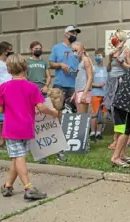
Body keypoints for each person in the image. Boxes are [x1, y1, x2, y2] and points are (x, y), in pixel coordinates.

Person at [0, 54, 59, 200]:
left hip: (11, 128)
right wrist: (54, 113)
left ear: (8, 70)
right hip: (26, 127)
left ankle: (27, 188)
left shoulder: (4, 87)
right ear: (26, 68)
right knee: (17, 158)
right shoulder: (32, 87)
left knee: (18, 157)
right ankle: (9, 186)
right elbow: (42, 108)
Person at [49, 25, 81, 162]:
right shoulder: (57, 48)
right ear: (66, 34)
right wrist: (61, 65)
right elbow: (50, 63)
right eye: (73, 32)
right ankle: (55, 143)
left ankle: (70, 143)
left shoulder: (77, 49)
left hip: (73, 85)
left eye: (76, 33)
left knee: (72, 114)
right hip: (60, 84)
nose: (74, 34)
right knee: (57, 114)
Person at [104, 29, 130, 150]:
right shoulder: (113, 52)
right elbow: (108, 68)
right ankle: (126, 137)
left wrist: (119, 60)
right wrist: (110, 59)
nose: (114, 40)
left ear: (121, 40)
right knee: (112, 111)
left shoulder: (126, 51)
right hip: (111, 82)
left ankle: (117, 138)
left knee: (118, 112)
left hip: (120, 82)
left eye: (116, 38)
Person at [27, 40, 52, 164]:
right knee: (30, 119)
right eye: (36, 48)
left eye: (40, 48)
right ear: (31, 50)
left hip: (42, 92)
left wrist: (47, 85)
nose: (38, 50)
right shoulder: (27, 62)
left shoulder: (44, 62)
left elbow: (48, 76)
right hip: (30, 92)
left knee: (42, 119)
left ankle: (44, 149)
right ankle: (30, 147)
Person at [90, 49, 108, 141]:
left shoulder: (106, 69)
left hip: (104, 95)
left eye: (99, 55)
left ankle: (99, 132)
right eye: (96, 55)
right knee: (94, 113)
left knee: (102, 114)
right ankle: (92, 132)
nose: (97, 57)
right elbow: (89, 82)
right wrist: (97, 85)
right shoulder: (93, 68)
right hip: (95, 94)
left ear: (103, 56)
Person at [71, 41, 93, 113]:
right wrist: (74, 94)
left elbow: (90, 77)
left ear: (82, 50)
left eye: (76, 50)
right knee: (79, 118)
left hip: (84, 92)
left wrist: (84, 94)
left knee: (83, 118)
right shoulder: (79, 62)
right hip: (79, 91)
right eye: (73, 51)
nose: (74, 52)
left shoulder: (86, 60)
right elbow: (79, 80)